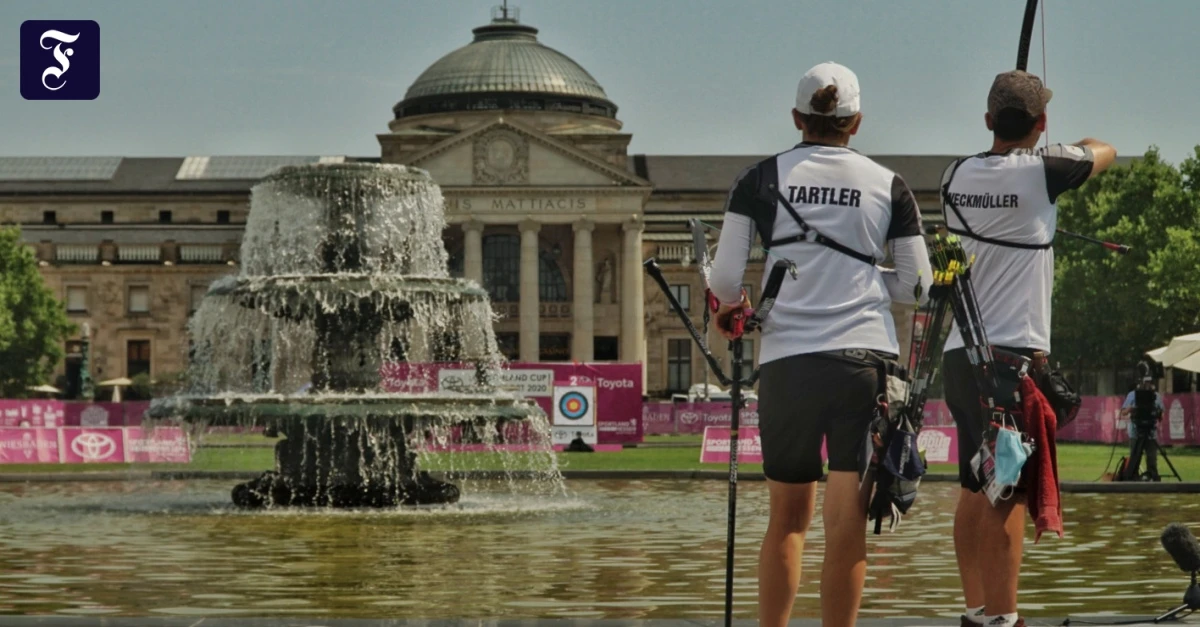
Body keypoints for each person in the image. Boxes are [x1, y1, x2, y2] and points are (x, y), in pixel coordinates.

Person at [707, 61, 932, 627]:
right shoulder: (890, 184)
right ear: (856, 123)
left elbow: (724, 285)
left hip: (787, 362)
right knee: (847, 521)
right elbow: (919, 287)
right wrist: (860, 278)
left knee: (786, 519)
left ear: (796, 118)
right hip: (864, 362)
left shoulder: (758, 179)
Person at [939, 70, 1117, 627]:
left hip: (959, 354)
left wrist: (1025, 138)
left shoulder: (953, 175)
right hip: (1011, 360)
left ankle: (975, 612)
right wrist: (1050, 143)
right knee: (1006, 492)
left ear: (988, 121)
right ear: (1040, 125)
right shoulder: (1044, 171)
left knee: (975, 483)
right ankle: (1004, 619)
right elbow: (1105, 150)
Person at [1120, 377, 1164, 479]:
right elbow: (1123, 412)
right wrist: (1132, 409)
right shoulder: (1132, 394)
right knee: (1135, 458)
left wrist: (1157, 414)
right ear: (1141, 382)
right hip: (1135, 432)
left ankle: (1152, 476)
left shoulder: (1156, 396)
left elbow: (1161, 414)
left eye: (1149, 382)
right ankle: (1133, 477)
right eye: (1145, 382)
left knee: (1151, 458)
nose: (1147, 384)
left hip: (1151, 432)